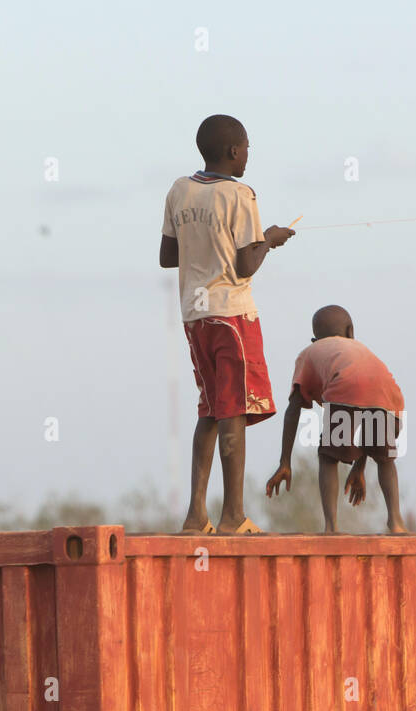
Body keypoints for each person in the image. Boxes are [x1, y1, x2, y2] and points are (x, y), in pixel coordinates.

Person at [160, 114, 295, 534]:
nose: (249, 154)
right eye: (247, 147)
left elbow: (168, 256)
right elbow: (244, 265)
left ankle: (195, 514)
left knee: (211, 409)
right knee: (234, 409)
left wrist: (204, 247)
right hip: (231, 313)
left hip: (194, 315)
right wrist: (269, 239)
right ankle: (233, 515)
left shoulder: (179, 190)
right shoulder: (240, 194)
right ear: (234, 151)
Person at [265, 305, 407, 534]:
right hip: (389, 396)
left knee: (328, 456)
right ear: (351, 331)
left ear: (315, 339)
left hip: (345, 386)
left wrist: (285, 461)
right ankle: (396, 522)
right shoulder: (363, 350)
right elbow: (366, 411)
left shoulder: (310, 353)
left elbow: (293, 410)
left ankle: (331, 527)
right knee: (385, 458)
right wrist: (360, 467)